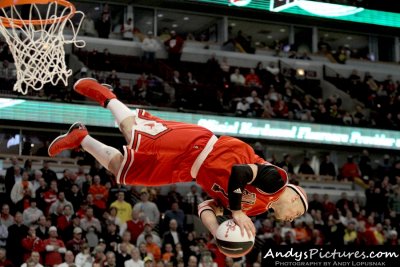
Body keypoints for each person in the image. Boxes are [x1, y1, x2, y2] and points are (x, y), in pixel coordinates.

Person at [48, 78, 308, 240]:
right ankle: (107, 96)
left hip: (188, 172)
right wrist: (237, 213)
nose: (292, 219)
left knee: (124, 172)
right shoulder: (278, 180)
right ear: (295, 197)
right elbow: (240, 172)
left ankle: (81, 137)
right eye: (297, 213)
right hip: (200, 147)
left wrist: (217, 231)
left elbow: (207, 207)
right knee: (134, 133)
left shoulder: (258, 209)